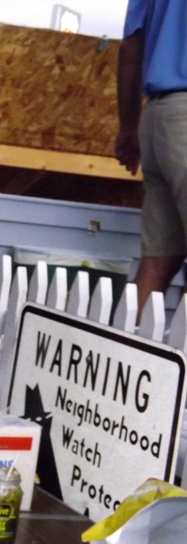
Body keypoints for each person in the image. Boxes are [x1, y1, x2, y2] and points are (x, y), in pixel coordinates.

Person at [115, 0, 187, 314]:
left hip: (158, 115)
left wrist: (128, 126)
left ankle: (119, 342)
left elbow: (130, 47)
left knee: (159, 259)